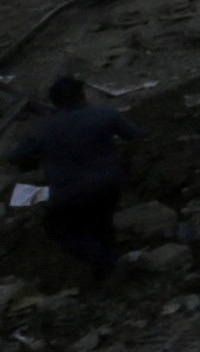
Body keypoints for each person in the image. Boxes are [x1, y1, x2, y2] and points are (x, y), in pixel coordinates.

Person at [11, 73, 132, 283]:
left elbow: (17, 157)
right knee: (101, 223)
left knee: (59, 228)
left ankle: (109, 262)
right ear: (81, 95)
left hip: (71, 191)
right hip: (111, 182)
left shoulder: (41, 130)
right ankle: (109, 274)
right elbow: (136, 135)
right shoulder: (106, 114)